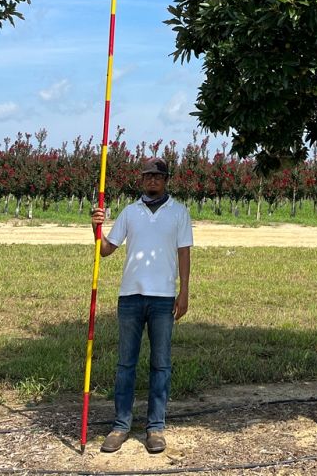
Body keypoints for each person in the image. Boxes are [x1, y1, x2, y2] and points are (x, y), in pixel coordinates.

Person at [90, 157, 193, 455]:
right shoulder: (129, 213)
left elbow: (184, 255)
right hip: (130, 298)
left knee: (161, 364)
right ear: (142, 180)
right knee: (125, 364)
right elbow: (107, 250)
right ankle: (120, 426)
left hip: (163, 299)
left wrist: (183, 293)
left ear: (166, 180)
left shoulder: (179, 213)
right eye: (148, 176)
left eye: (157, 177)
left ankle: (155, 428)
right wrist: (96, 229)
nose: (152, 181)